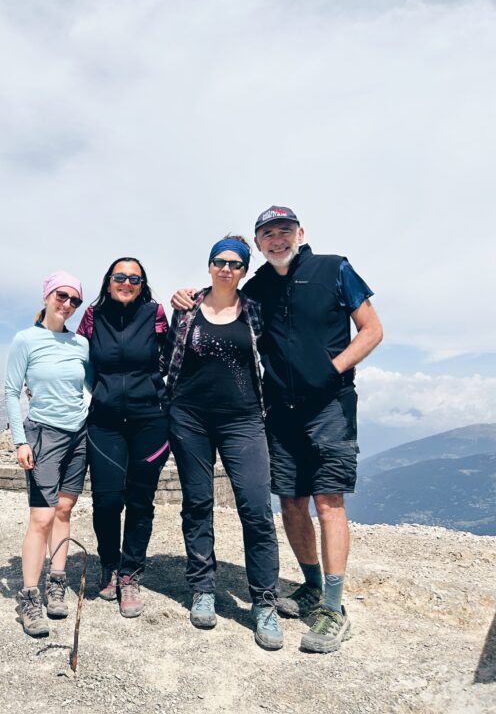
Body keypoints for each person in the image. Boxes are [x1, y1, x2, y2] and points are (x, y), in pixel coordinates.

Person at [172, 207, 382, 653]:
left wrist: (333, 371)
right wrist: (186, 297)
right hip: (280, 411)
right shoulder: (257, 289)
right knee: (290, 502)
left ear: (300, 233)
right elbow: (222, 307)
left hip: (329, 406)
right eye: (267, 234)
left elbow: (372, 329)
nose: (277, 239)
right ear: (259, 243)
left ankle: (333, 607)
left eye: (284, 231)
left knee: (328, 501)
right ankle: (309, 585)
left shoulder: (334, 268)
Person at [164, 234, 282, 650]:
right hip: (189, 418)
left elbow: (277, 356)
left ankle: (264, 601)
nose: (226, 268)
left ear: (244, 270)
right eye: (219, 261)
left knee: (255, 509)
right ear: (210, 265)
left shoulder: (254, 312)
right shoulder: (187, 307)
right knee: (198, 504)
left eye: (234, 263)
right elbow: (165, 357)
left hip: (244, 420)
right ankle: (203, 589)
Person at [76, 257, 170, 618]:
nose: (126, 282)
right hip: (105, 421)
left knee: (140, 500)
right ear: (109, 281)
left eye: (134, 278)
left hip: (150, 420)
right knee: (107, 501)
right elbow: (77, 358)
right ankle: (109, 565)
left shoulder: (156, 313)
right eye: (120, 276)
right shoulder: (92, 317)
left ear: (142, 283)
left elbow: (175, 354)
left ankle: (131, 573)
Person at [4, 271, 90, 638]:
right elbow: (10, 391)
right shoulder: (25, 339)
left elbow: (88, 383)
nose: (67, 304)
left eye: (74, 300)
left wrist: (83, 409)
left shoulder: (81, 343)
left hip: (79, 436)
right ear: (46, 296)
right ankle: (29, 596)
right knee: (41, 517)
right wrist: (20, 441)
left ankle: (57, 582)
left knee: (65, 510)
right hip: (43, 436)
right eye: (61, 295)